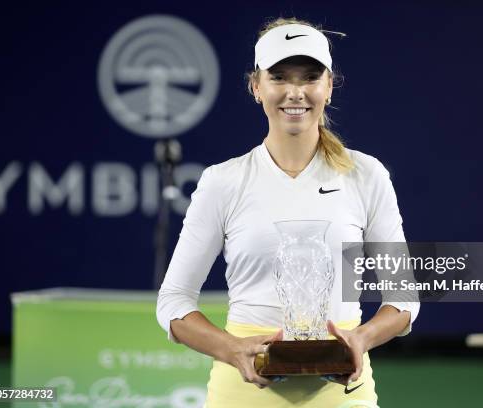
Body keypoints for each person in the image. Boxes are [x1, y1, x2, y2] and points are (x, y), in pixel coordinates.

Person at [156, 17, 420, 408]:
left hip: (344, 395)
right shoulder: (223, 181)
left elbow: (403, 296)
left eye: (309, 77)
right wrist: (233, 349)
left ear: (329, 86)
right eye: (279, 78)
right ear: (256, 87)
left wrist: (359, 340)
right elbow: (174, 301)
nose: (295, 93)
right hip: (241, 395)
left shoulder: (367, 175)